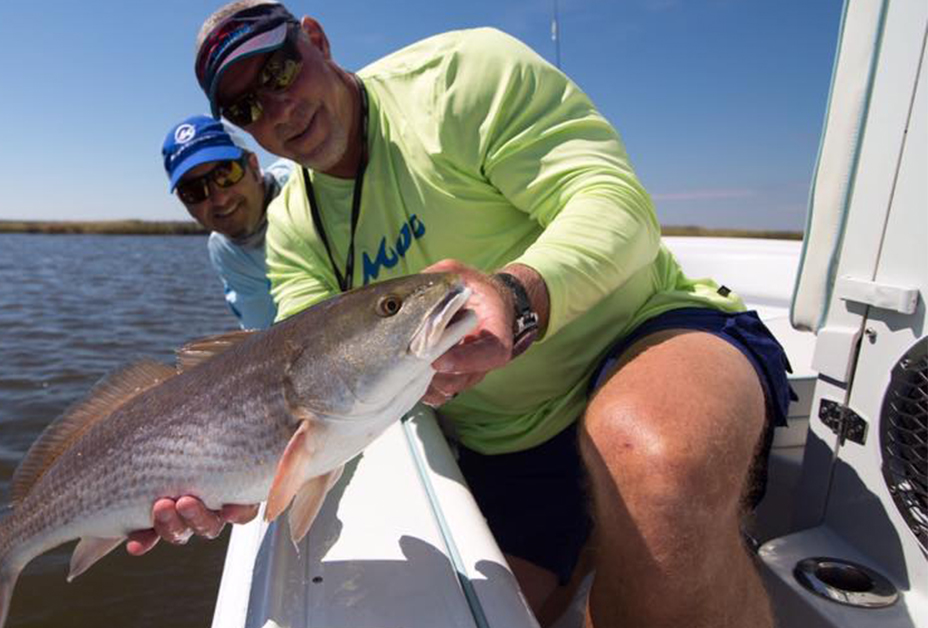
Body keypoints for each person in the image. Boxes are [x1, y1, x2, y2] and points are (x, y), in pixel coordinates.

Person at [137, 3, 795, 627]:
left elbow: (617, 205)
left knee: (650, 459)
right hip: (509, 446)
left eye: (279, 70)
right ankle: (599, 541)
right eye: (248, 105)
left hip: (645, 332)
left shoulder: (460, 76)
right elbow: (311, 386)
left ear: (316, 37)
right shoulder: (293, 231)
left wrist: (517, 296)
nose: (278, 107)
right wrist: (242, 473)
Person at [162, 114, 293, 330]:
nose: (219, 199)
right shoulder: (225, 251)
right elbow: (262, 334)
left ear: (253, 166)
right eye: (194, 190)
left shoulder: (310, 180)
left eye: (226, 174)